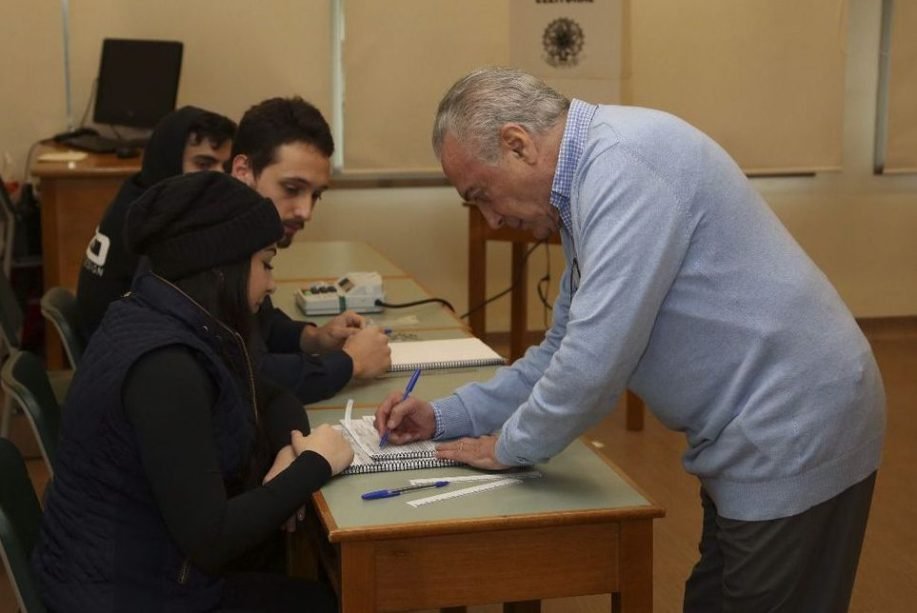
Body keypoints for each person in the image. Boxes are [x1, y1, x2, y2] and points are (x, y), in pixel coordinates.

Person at [375, 68, 886, 613]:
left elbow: (593, 365)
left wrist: (509, 446)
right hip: (750, 430)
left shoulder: (624, 167)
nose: (491, 216)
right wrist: (448, 417)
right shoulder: (589, 180)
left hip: (794, 424)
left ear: (517, 143)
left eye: (481, 195)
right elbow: (561, 350)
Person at [33, 171, 353, 612]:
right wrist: (316, 463)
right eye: (266, 263)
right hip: (128, 597)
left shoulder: (167, 316)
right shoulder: (165, 367)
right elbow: (211, 539)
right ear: (223, 270)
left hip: (139, 577)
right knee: (334, 596)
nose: (272, 283)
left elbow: (274, 396)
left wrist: (289, 452)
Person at [229, 96, 391, 403]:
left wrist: (314, 338)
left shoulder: (240, 235)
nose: (306, 212)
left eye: (316, 195)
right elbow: (247, 376)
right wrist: (349, 363)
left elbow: (259, 325)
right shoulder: (207, 249)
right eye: (292, 189)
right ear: (243, 170)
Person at [77, 105, 237, 336]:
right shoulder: (149, 222)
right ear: (169, 160)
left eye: (226, 167)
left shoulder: (140, 193)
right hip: (120, 352)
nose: (219, 177)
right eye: (203, 164)